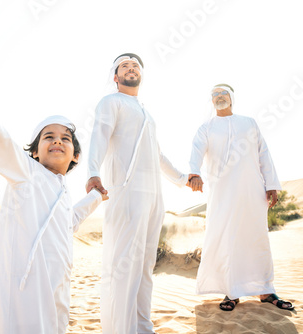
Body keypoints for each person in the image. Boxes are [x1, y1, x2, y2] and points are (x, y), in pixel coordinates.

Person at [0, 41, 108, 333]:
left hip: (56, 296)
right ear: (35, 151)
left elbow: (69, 221)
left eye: (65, 139)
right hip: (22, 295)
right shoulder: (26, 174)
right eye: (48, 137)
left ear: (76, 155)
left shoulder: (63, 191)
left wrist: (96, 197)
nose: (57, 141)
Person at [86, 53, 194, 334]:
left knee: (146, 265)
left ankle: (143, 327)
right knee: (124, 265)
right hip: (126, 192)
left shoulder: (147, 113)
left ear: (141, 75)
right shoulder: (111, 102)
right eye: (125, 65)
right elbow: (99, 135)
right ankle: (120, 329)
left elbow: (157, 155)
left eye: (135, 66)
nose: (131, 68)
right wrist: (92, 172)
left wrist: (183, 180)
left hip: (153, 196)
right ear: (115, 76)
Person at [189, 83, 294, 311]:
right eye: (214, 94)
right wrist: (194, 173)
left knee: (257, 238)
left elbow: (263, 153)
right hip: (222, 194)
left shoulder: (249, 123)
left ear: (231, 97)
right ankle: (231, 291)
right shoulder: (206, 127)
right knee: (227, 240)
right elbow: (196, 150)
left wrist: (272, 184)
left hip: (252, 192)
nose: (218, 96)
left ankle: (266, 290)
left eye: (222, 93)